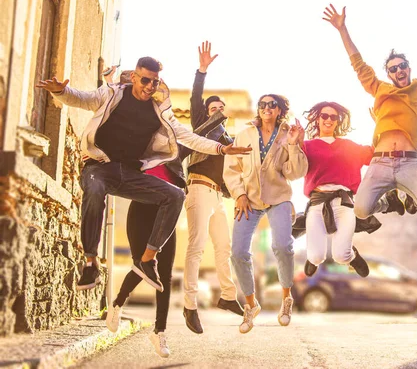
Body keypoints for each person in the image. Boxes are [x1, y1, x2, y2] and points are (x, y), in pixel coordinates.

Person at [35, 58, 251, 293]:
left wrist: (221, 148)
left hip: (130, 174)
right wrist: (61, 91)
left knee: (175, 196)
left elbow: (188, 137)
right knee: (95, 189)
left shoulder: (160, 110)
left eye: (155, 82)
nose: (149, 86)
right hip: (100, 168)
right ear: (134, 77)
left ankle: (147, 260)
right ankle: (90, 263)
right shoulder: (111, 94)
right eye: (145, 80)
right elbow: (81, 99)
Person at [322, 0, 417, 220]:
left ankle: (407, 191)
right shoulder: (380, 89)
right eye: (393, 69)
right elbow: (358, 64)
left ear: (408, 68)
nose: (399, 70)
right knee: (361, 210)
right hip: (380, 161)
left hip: (409, 162)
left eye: (402, 66)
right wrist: (342, 29)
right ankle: (389, 201)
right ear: (389, 74)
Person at [101, 66, 181, 358]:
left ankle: (159, 332)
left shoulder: (175, 147)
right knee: (140, 264)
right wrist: (107, 82)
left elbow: (200, 135)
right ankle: (118, 304)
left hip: (166, 214)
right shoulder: (143, 140)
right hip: (141, 206)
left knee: (164, 273)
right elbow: (115, 116)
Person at [223, 94, 307, 334]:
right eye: (262, 104)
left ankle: (286, 299)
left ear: (280, 110)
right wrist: (238, 194)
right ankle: (251, 306)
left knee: (282, 246)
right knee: (238, 252)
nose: (266, 108)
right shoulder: (245, 133)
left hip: (279, 198)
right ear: (258, 109)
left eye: (272, 105)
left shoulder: (287, 134)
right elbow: (231, 169)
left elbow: (295, 172)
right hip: (248, 199)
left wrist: (293, 144)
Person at [182, 42, 244, 335]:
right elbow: (196, 97)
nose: (217, 111)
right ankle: (189, 305)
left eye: (221, 109)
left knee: (224, 246)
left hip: (217, 196)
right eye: (213, 108)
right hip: (198, 189)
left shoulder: (229, 140)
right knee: (196, 247)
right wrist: (202, 70)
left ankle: (229, 296)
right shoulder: (201, 126)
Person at [301, 101, 373, 277]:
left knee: (341, 255)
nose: (329, 120)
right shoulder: (306, 146)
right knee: (317, 256)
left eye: (333, 117)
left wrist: (379, 124)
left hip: (344, 202)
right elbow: (288, 160)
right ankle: (312, 258)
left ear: (337, 121)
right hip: (317, 203)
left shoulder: (348, 145)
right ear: (317, 119)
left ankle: (352, 255)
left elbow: (373, 153)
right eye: (324, 116)